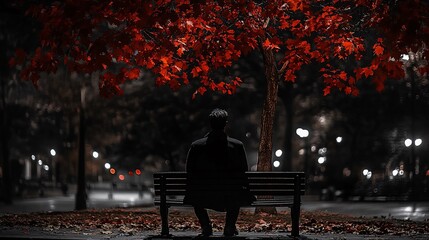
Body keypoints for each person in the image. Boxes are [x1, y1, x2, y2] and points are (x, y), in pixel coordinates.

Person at [183, 108, 255, 237]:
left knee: (194, 193)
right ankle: (229, 225)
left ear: (210, 124)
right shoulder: (237, 145)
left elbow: (189, 172)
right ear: (225, 123)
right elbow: (244, 171)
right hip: (230, 195)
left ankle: (206, 225)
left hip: (203, 196)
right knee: (237, 192)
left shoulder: (196, 146)